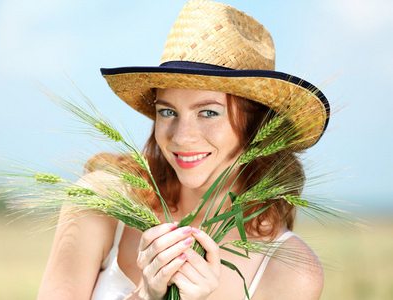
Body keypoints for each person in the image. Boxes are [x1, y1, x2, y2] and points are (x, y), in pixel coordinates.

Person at [38, 0, 330, 299]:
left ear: (256, 126)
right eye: (168, 112)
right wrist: (147, 296)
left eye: (208, 112)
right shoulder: (103, 203)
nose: (182, 137)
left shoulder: (291, 272)